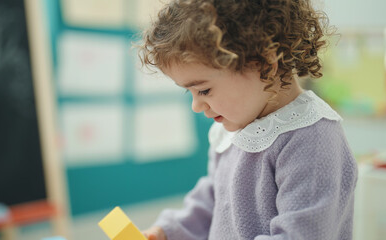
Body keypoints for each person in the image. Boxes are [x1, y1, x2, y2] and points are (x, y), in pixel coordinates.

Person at [137, 0, 358, 239]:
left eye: (204, 90)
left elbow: (301, 233)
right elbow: (211, 202)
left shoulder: (312, 138)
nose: (196, 106)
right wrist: (167, 232)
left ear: (264, 64)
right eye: (188, 92)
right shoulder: (234, 127)